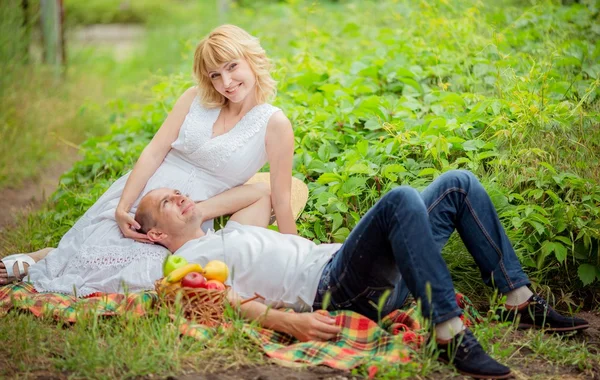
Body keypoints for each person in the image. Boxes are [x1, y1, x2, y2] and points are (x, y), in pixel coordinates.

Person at [134, 170, 589, 380]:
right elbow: (211, 300)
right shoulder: (183, 265)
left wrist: (196, 207)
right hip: (334, 290)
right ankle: (448, 330)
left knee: (458, 184)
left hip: (361, 273)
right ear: (155, 233)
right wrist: (286, 322)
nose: (180, 198)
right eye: (167, 203)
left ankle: (519, 299)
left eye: (179, 192)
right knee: (400, 199)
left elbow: (261, 184)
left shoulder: (234, 230)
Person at [0, 24, 299, 294]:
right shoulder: (195, 99)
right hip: (147, 190)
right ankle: (47, 256)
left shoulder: (274, 124)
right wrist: (121, 206)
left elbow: (282, 200)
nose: (227, 82)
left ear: (251, 59)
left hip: (186, 213)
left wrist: (296, 259)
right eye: (215, 75)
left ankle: (52, 256)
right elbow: (155, 151)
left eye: (232, 67)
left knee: (146, 277)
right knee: (93, 252)